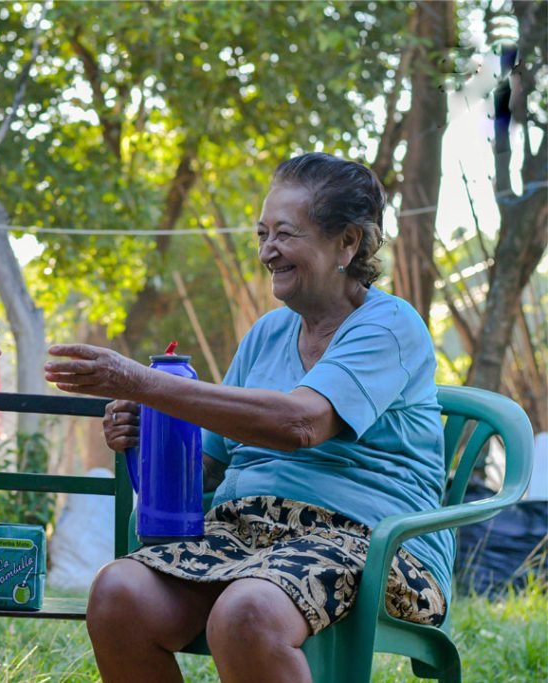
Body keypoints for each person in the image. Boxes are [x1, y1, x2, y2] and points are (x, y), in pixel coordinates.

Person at [44, 152, 453, 683]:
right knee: (118, 593)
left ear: (348, 243)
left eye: (285, 233)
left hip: (370, 542)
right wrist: (150, 435)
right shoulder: (268, 333)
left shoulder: (390, 325)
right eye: (262, 234)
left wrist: (141, 381)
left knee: (247, 613)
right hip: (246, 531)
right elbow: (210, 468)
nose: (267, 251)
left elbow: (302, 424)